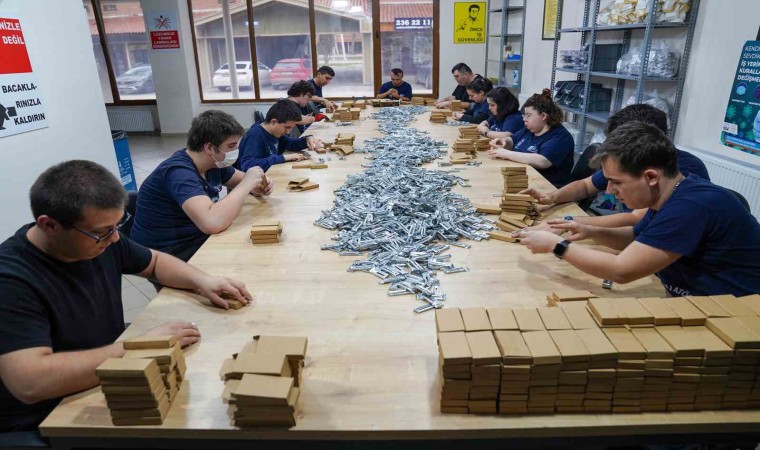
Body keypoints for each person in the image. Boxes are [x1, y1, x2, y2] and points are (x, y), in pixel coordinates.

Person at [0, 160, 254, 433]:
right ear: (49, 225)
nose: (114, 238)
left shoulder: (99, 241)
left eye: (116, 226)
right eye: (102, 232)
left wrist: (203, 281)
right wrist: (137, 347)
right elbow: (31, 382)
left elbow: (154, 262)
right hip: (48, 418)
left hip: (107, 376)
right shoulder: (11, 281)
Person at [517, 121, 760, 297]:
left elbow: (621, 271)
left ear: (651, 177)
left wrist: (556, 245)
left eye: (616, 182)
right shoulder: (671, 194)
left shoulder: (690, 207)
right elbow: (635, 237)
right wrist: (589, 231)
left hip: (736, 316)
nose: (609, 190)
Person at [520, 104, 710, 229]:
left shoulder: (684, 169)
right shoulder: (626, 161)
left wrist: (568, 222)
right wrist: (550, 198)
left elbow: (636, 220)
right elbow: (585, 185)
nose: (610, 189)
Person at [131, 110, 273, 262]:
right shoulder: (179, 173)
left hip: (194, 238)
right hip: (168, 254)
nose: (235, 151)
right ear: (209, 148)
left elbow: (243, 180)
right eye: (231, 146)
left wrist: (256, 186)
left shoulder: (214, 163)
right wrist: (246, 184)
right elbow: (212, 223)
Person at [488, 89, 575, 188]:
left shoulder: (560, 137)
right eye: (524, 115)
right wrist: (504, 141)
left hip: (548, 187)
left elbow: (542, 161)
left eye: (528, 115)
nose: (524, 119)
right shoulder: (529, 129)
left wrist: (506, 153)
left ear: (543, 116)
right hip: (525, 181)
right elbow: (513, 140)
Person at [236, 99, 323, 173]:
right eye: (287, 127)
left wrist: (306, 140)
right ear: (273, 122)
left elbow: (290, 144)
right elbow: (248, 165)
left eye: (291, 128)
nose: (288, 132)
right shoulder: (255, 136)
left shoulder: (275, 132)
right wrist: (283, 158)